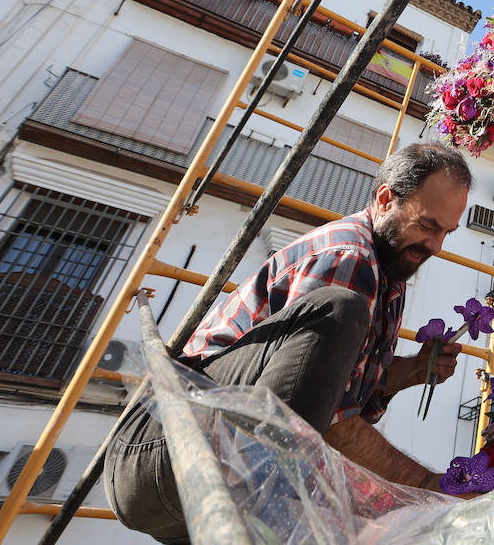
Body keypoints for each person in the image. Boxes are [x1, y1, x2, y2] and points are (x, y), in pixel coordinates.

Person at [105, 143, 472, 543]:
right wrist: (428, 487)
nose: (436, 246)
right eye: (427, 225)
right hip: (166, 445)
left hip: (208, 482)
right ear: (385, 200)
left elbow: (325, 398)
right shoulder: (350, 257)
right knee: (338, 309)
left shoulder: (391, 276)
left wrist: (408, 373)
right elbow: (332, 423)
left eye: (446, 233)